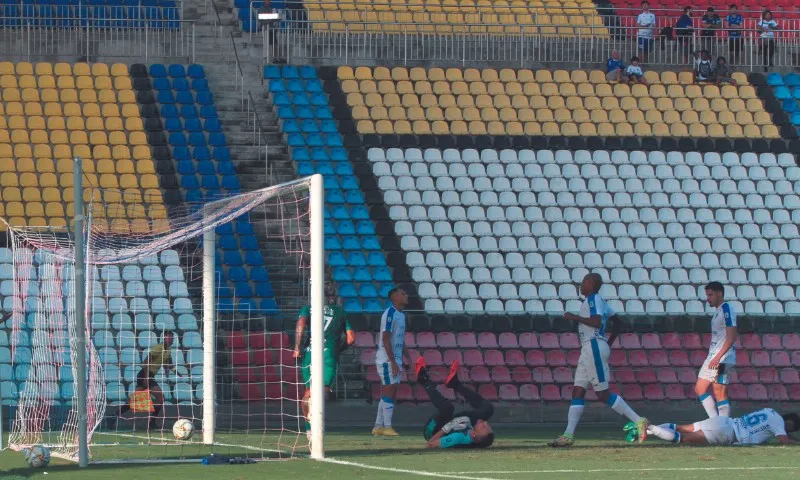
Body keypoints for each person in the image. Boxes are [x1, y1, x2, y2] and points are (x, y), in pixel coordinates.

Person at [550, 273, 648, 447]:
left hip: (593, 346)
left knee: (602, 394)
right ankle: (568, 435)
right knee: (577, 392)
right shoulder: (601, 302)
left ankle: (639, 420)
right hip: (590, 348)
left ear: (592, 283)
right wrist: (607, 343)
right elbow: (619, 322)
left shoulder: (593, 299)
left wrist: (575, 317)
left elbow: (596, 322)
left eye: (584, 281)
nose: (581, 285)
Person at [293, 283, 355, 439]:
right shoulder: (341, 311)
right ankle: (317, 424)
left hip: (310, 353)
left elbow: (300, 324)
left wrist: (297, 347)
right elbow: (351, 338)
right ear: (332, 298)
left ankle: (309, 428)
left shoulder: (308, 308)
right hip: (328, 354)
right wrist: (337, 349)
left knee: (308, 391)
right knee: (323, 390)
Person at [416, 359, 495, 449]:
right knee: (488, 409)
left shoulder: (458, 438)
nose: (485, 422)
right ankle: (454, 383)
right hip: (459, 425)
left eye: (483, 427)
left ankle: (424, 381)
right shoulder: (474, 433)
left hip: (434, 431)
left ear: (473, 434)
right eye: (488, 425)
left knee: (448, 407)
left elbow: (430, 444)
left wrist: (449, 426)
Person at [107, 332, 175, 430]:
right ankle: (151, 423)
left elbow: (169, 364)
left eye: (171, 338)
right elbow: (146, 362)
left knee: (135, 401)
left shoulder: (168, 350)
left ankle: (113, 416)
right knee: (161, 398)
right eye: (168, 338)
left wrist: (176, 372)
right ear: (164, 338)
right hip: (145, 375)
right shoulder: (158, 348)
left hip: (146, 376)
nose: (170, 340)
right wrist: (146, 377)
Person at [695, 281, 737, 419]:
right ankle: (715, 422)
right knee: (700, 389)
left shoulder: (727, 309)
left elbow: (731, 337)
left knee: (719, 393)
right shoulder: (718, 312)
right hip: (713, 356)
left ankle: (724, 428)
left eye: (710, 294)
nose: (708, 298)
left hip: (723, 358)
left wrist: (718, 357)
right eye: (707, 295)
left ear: (719, 293)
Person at [642, 409, 800, 446]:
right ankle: (650, 427)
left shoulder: (770, 411)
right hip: (729, 433)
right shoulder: (779, 424)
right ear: (790, 423)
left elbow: (783, 434)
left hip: (723, 421)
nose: (789, 431)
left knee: (681, 428)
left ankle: (644, 431)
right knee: (681, 438)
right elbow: (784, 441)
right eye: (792, 428)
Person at [372, 287, 409, 436]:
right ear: (394, 296)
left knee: (392, 391)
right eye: (403, 293)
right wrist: (392, 361)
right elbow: (385, 337)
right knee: (390, 388)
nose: (406, 295)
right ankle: (386, 426)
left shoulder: (402, 315)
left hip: (396, 358)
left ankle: (378, 426)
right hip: (387, 359)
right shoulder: (390, 313)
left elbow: (400, 339)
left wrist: (408, 359)